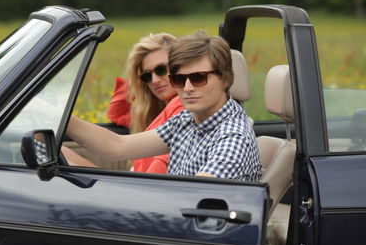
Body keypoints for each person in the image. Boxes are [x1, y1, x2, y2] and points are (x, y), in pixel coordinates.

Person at [67, 30, 261, 180]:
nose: (187, 88)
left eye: (199, 78)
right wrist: (60, 117)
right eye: (178, 79)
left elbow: (197, 195)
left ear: (226, 80)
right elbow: (118, 146)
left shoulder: (233, 137)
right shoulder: (188, 119)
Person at [106, 33, 184, 173]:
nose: (154, 80)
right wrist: (135, 78)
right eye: (147, 75)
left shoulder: (184, 105)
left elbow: (165, 162)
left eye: (161, 69)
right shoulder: (152, 110)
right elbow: (116, 114)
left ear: (180, 65)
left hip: (143, 188)